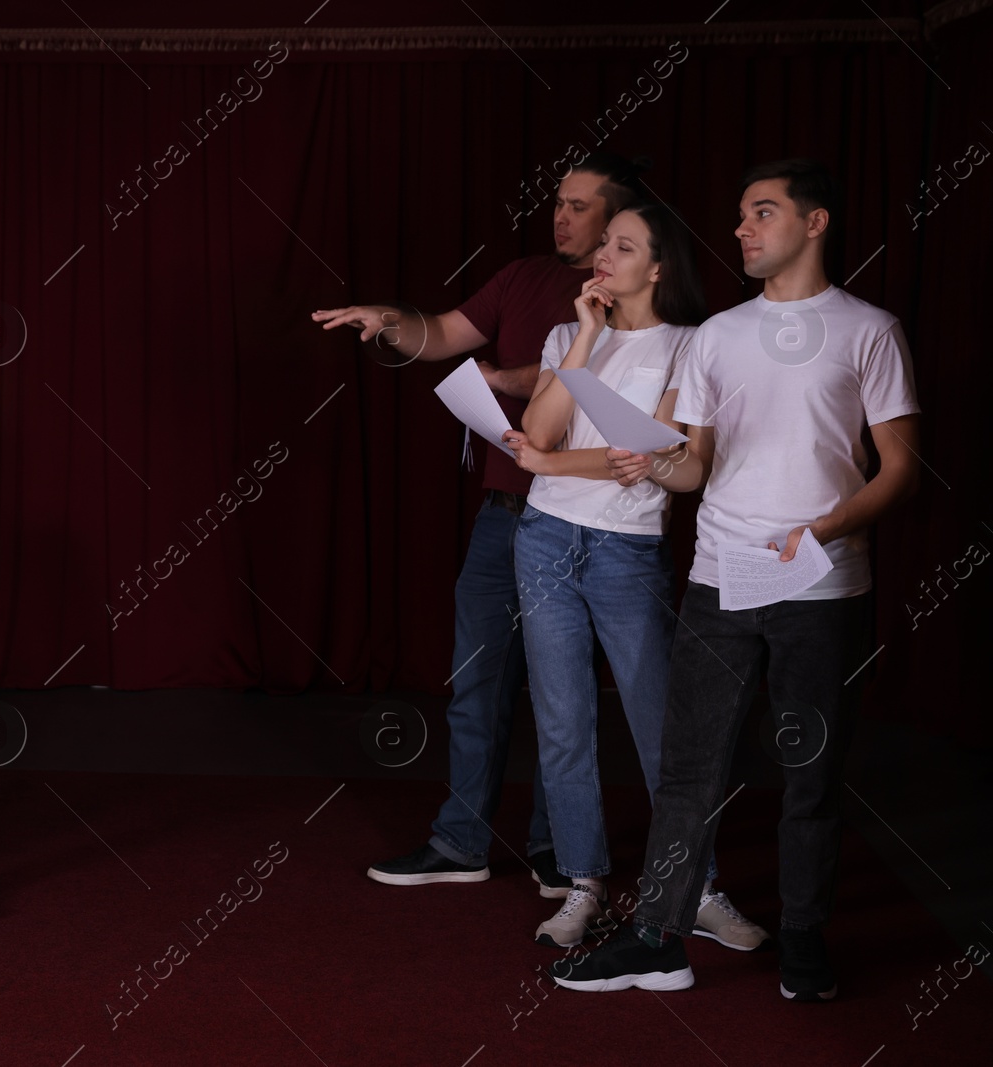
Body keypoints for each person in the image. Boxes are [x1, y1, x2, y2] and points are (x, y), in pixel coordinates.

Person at [554, 159, 920, 1000]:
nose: (743, 229)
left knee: (810, 773)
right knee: (689, 768)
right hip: (720, 576)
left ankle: (803, 940)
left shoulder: (870, 329)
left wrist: (819, 531)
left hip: (820, 584)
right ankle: (656, 936)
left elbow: (899, 466)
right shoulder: (715, 333)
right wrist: (655, 460)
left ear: (815, 222)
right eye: (741, 216)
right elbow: (697, 467)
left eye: (763, 213)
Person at [312, 154, 643, 895]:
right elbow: (442, 333)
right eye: (558, 201)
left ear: (620, 222)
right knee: (477, 684)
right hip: (503, 515)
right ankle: (461, 840)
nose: (561, 215)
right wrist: (390, 320)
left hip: (583, 522)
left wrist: (500, 377)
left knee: (566, 698)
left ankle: (561, 850)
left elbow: (576, 376)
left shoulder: (631, 289)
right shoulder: (522, 275)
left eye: (580, 205)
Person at [504, 202, 765, 951]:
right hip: (545, 537)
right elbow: (547, 428)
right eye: (604, 244)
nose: (604, 256)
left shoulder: (690, 345)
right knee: (561, 720)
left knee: (660, 726)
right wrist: (586, 335)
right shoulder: (566, 335)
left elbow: (649, 458)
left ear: (658, 267)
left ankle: (698, 886)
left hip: (626, 548)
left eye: (624, 246)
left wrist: (550, 464)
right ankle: (583, 882)